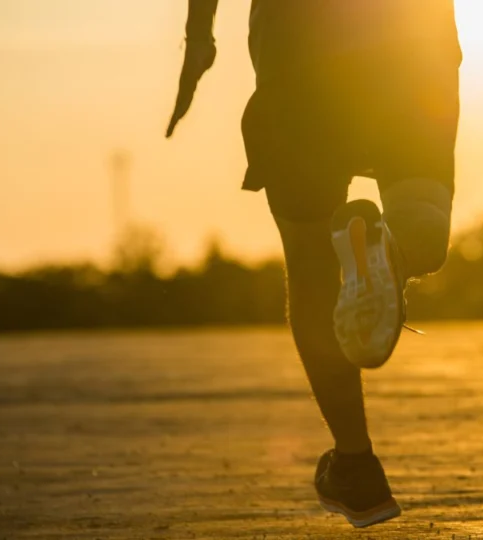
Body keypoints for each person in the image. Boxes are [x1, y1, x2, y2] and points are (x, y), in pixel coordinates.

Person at [166, 0, 462, 528]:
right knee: (424, 221)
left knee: (308, 264)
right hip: (414, 42)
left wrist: (199, 37)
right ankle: (389, 250)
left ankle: (356, 466)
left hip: (299, 50)